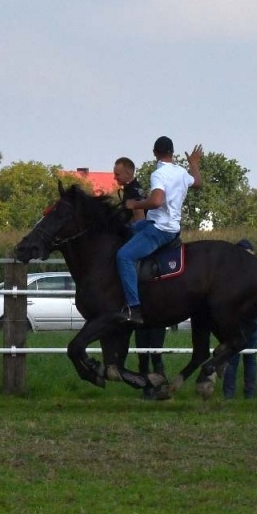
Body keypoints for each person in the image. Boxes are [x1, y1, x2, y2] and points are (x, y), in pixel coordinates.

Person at [117, 137, 202, 324]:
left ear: (154, 152)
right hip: (160, 225)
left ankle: (134, 308)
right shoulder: (180, 172)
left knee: (124, 256)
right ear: (172, 153)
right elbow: (197, 182)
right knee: (125, 231)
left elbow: (156, 201)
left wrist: (135, 204)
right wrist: (193, 163)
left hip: (160, 230)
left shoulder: (159, 174)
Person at [114, 157, 166, 378]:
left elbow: (138, 221)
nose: (115, 177)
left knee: (123, 257)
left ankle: (132, 304)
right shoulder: (130, 189)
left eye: (118, 173)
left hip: (139, 240)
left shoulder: (134, 192)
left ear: (129, 173)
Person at [225, 239, 257, 399]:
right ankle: (229, 395)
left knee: (250, 358)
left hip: (252, 321)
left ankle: (248, 394)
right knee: (232, 359)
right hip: (236, 322)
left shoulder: (256, 272)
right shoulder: (228, 274)